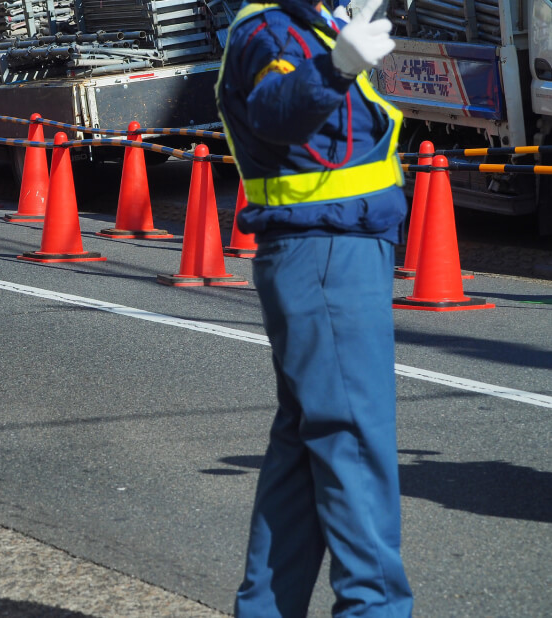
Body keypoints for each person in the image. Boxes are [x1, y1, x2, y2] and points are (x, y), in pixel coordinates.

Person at [215, 0, 413, 615]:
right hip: (327, 256)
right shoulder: (271, 29)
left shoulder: (306, 21)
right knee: (353, 443)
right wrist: (338, 65)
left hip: (327, 252)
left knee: (305, 452)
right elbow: (276, 110)